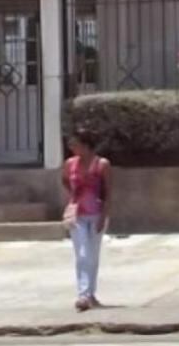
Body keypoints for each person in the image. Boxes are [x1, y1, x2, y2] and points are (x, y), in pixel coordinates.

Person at [62, 127, 112, 311]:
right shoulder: (70, 164)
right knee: (82, 254)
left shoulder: (101, 164)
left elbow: (108, 192)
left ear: (86, 145)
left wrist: (104, 215)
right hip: (77, 215)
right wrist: (74, 197)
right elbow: (65, 180)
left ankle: (91, 293)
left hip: (96, 213)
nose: (72, 147)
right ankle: (83, 294)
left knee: (93, 255)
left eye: (75, 144)